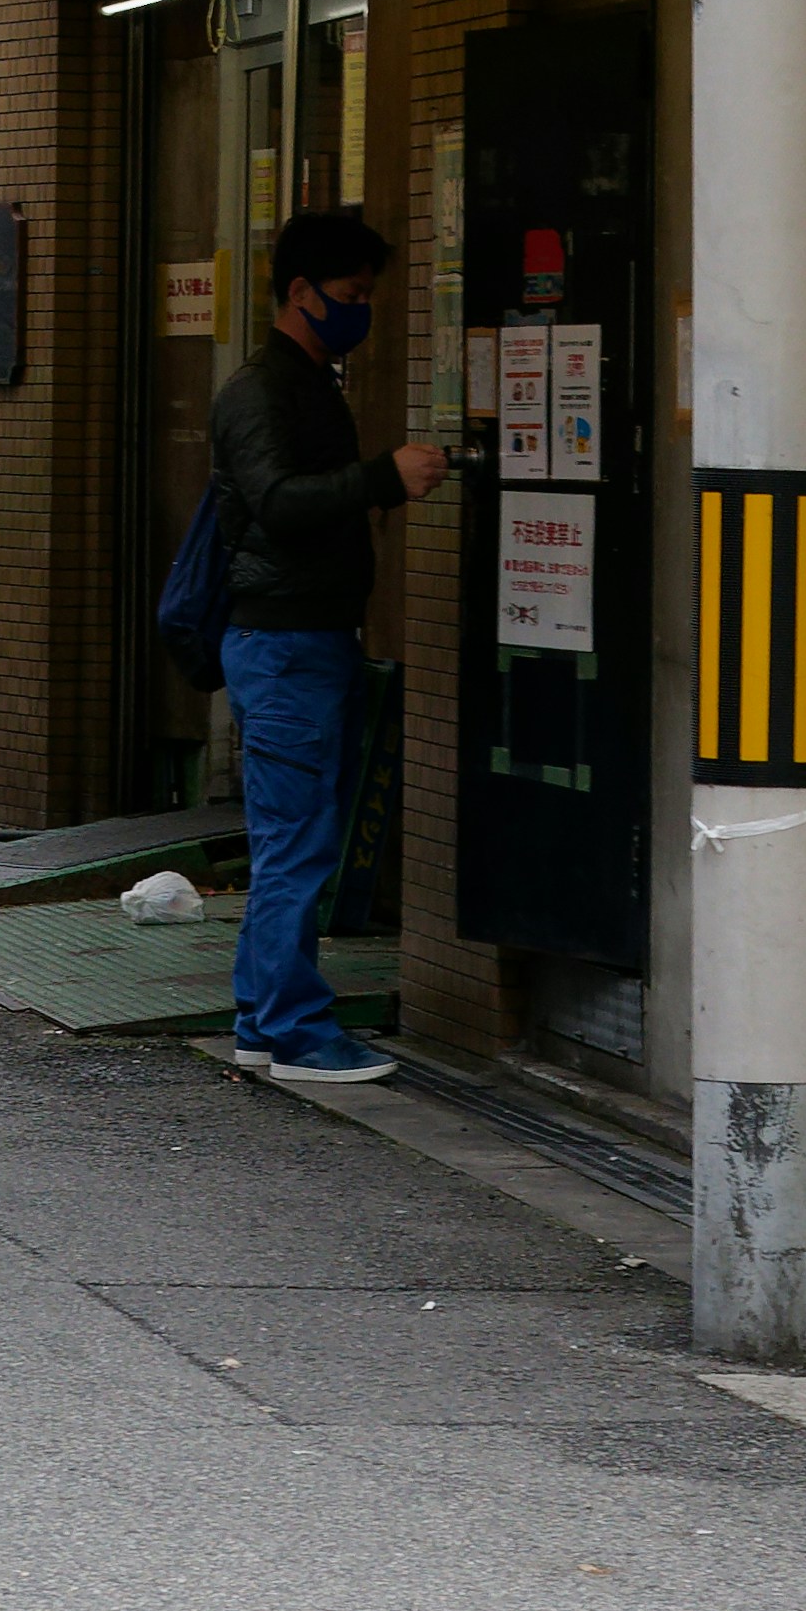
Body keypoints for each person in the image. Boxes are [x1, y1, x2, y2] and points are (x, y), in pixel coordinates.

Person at [209, 208, 446, 1084]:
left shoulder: (310, 379)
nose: (361, 308)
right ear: (300, 291)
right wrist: (384, 476)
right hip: (283, 645)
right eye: (350, 293)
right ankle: (296, 1029)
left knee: (295, 838)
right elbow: (277, 499)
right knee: (296, 844)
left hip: (307, 640)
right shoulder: (260, 389)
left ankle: (261, 1018)